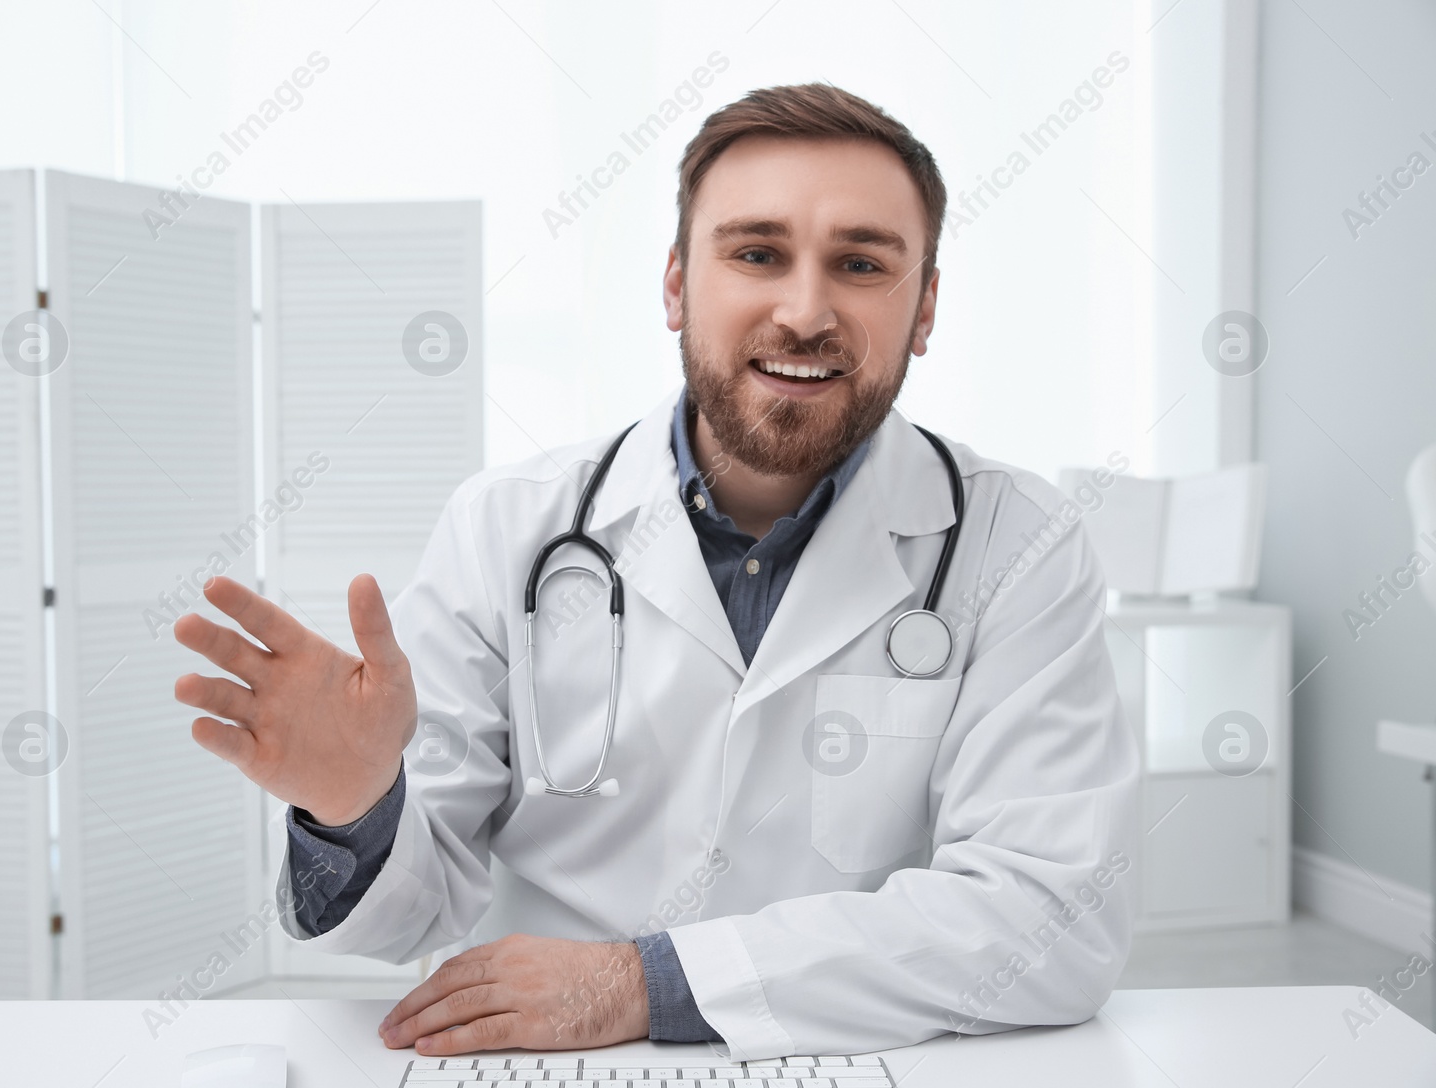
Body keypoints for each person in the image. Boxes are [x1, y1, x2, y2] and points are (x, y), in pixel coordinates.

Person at [173, 82, 1140, 1060]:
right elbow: (407, 918)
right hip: (548, 1062)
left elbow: (1053, 917)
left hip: (870, 1056)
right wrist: (353, 803)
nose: (805, 311)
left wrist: (644, 982)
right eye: (756, 253)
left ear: (924, 305)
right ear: (676, 284)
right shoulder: (507, 525)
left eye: (859, 263)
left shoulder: (1019, 545)